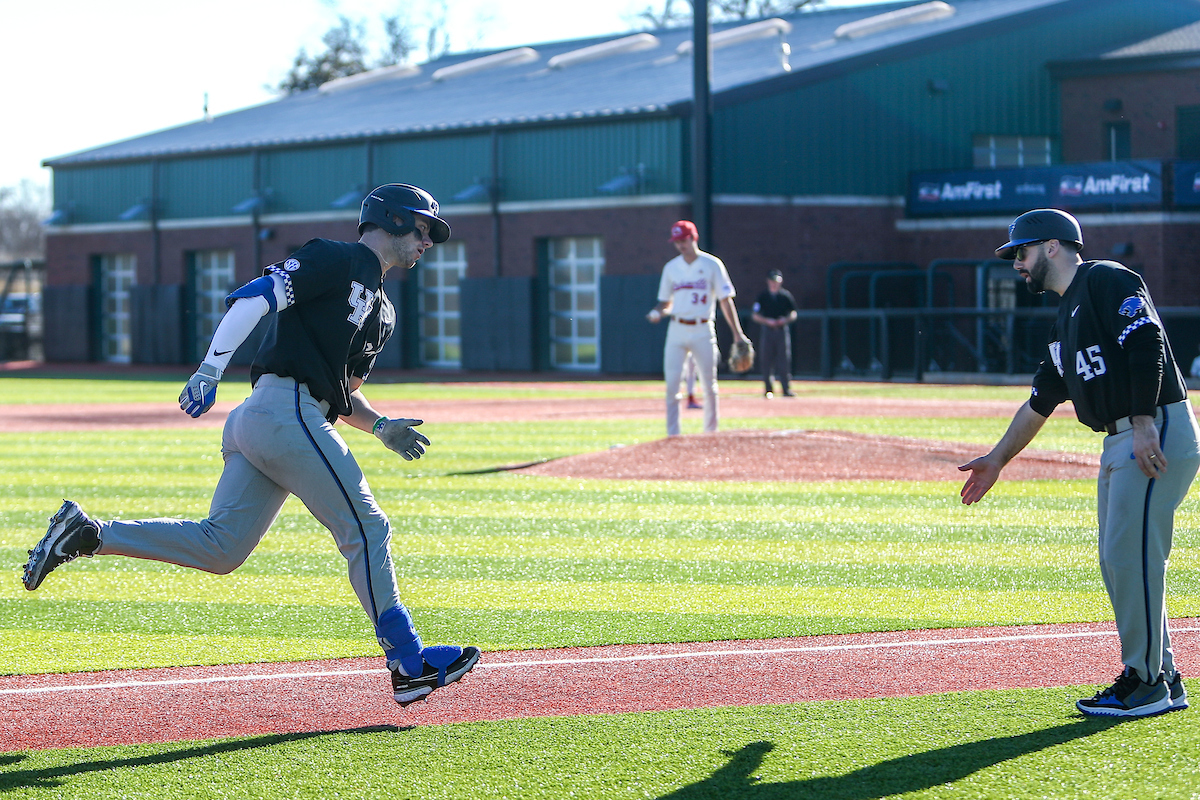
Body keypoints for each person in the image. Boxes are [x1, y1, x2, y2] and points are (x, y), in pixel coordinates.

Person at [22, 183, 480, 708]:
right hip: (282, 411)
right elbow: (254, 298)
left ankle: (89, 534)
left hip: (274, 420)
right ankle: (408, 661)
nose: (428, 242)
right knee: (367, 526)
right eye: (423, 229)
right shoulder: (335, 257)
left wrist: (380, 427)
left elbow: (343, 393)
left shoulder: (384, 311)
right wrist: (210, 366)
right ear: (394, 221)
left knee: (221, 548)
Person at [958, 208, 1199, 718]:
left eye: (1020, 252)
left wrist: (1141, 420)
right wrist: (997, 460)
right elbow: (1040, 401)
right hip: (1121, 440)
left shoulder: (1107, 279)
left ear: (1051, 246)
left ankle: (1147, 682)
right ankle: (1163, 676)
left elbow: (1148, 341)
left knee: (1129, 557)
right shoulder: (1064, 319)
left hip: (1153, 428)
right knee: (1119, 562)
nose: (1017, 265)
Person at [646, 220, 751, 437]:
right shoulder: (671, 268)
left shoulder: (712, 265)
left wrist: (737, 333)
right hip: (677, 328)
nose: (680, 245)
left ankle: (710, 434)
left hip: (703, 328)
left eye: (683, 240)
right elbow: (665, 301)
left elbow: (725, 300)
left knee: (709, 385)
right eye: (677, 241)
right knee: (672, 386)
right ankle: (672, 435)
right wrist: (658, 312)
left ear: (694, 238)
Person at [750, 269, 798, 398]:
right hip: (768, 330)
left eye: (776, 281)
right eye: (772, 281)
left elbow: (793, 313)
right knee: (766, 360)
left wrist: (785, 320)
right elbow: (755, 315)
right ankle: (768, 389)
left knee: (784, 360)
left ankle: (786, 389)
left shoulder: (785, 296)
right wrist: (767, 321)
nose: (774, 284)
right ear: (768, 281)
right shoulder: (763, 296)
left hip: (781, 330)